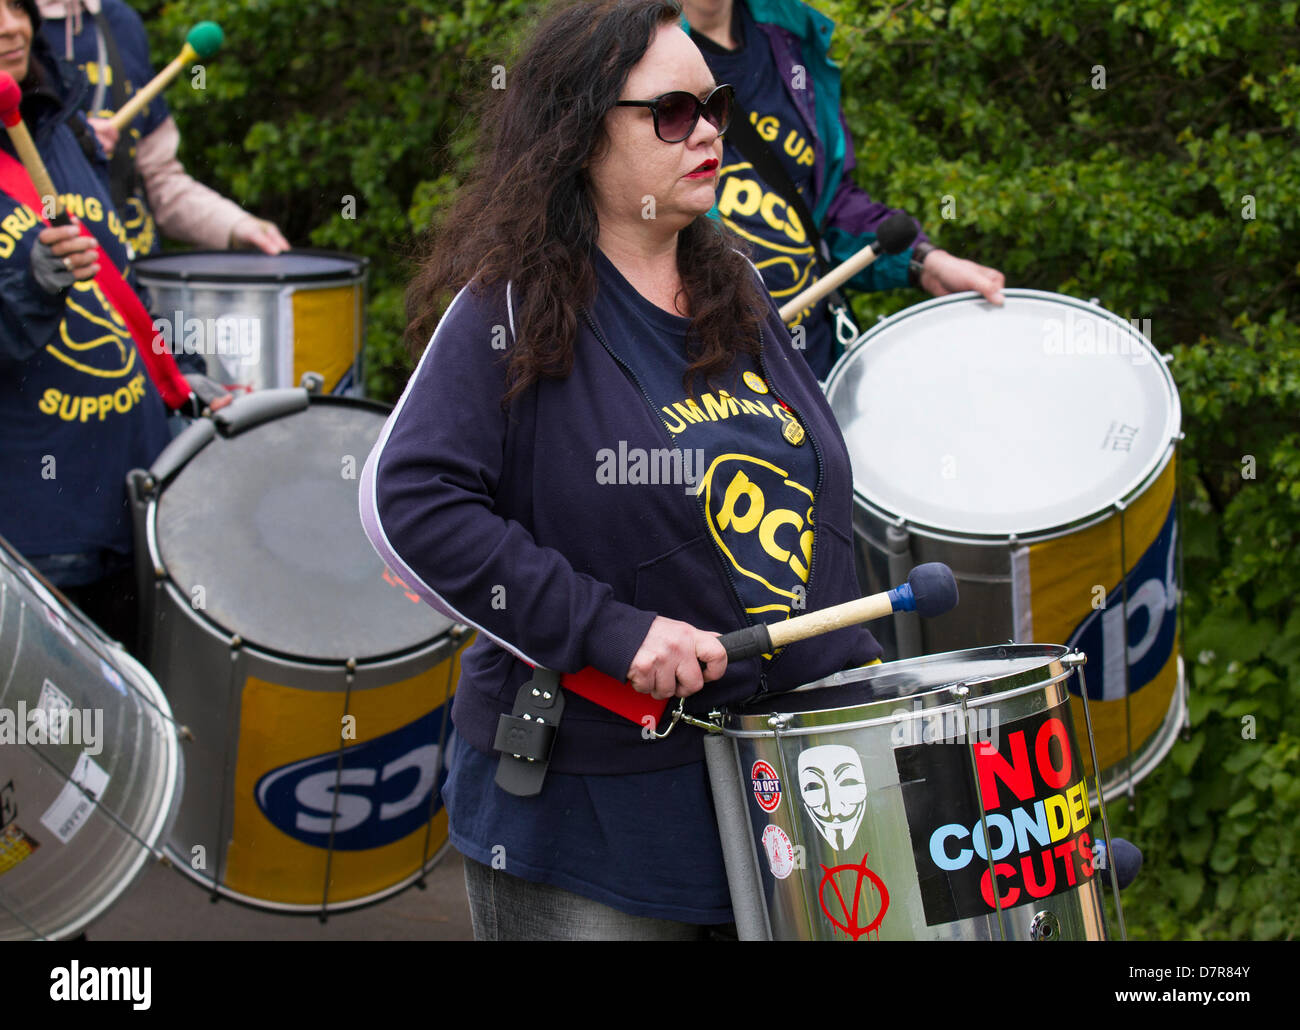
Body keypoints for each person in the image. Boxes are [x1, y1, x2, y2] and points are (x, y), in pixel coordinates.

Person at [359, 0, 883, 940]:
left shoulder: (739, 290)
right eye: (671, 113)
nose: (709, 132)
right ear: (578, 131)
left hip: (773, 798)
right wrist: (611, 631)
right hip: (587, 810)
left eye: (716, 106)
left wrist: (854, 692)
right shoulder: (512, 304)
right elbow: (409, 501)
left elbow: (816, 498)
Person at [0, 0, 212, 650]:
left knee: (147, 722)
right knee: (61, 743)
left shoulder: (59, 131)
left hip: (132, 501)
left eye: (15, 5)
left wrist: (186, 381)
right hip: (41, 532)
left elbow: (117, 286)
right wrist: (30, 285)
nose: (8, 25)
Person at [680, 0, 1005, 378]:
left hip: (814, 364)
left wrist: (923, 262)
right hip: (715, 375)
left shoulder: (791, 43)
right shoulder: (636, 59)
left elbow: (828, 204)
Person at [36, 0, 289, 257]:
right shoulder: (14, 37)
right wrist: (66, 143)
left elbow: (162, 180)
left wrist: (235, 225)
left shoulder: (121, 23)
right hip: (45, 275)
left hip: (132, 271)